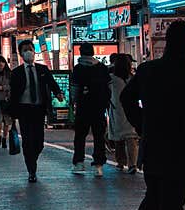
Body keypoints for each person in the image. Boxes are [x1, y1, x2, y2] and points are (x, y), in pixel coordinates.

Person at [121, 21, 185, 210]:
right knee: (172, 202)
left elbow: (126, 98)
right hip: (181, 147)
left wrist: (142, 124)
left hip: (155, 144)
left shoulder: (149, 70)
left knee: (154, 195)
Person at [8, 40, 65, 183]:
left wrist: (58, 93)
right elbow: (13, 95)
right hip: (24, 109)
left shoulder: (42, 69)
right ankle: (31, 170)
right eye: (26, 50)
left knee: (39, 142)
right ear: (21, 54)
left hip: (39, 109)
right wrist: (10, 114)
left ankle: (33, 157)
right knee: (27, 140)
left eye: (31, 49)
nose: (29, 52)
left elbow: (52, 84)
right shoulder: (16, 73)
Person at [70, 42, 112, 177]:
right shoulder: (102, 68)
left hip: (83, 107)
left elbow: (75, 90)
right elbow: (109, 88)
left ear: (81, 53)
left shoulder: (78, 69)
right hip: (99, 107)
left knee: (80, 135)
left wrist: (74, 102)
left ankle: (79, 163)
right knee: (99, 136)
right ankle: (98, 165)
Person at [108, 54, 139, 174]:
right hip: (131, 110)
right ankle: (133, 164)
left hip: (117, 110)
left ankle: (120, 162)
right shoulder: (132, 78)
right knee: (131, 138)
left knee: (118, 138)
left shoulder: (112, 79)